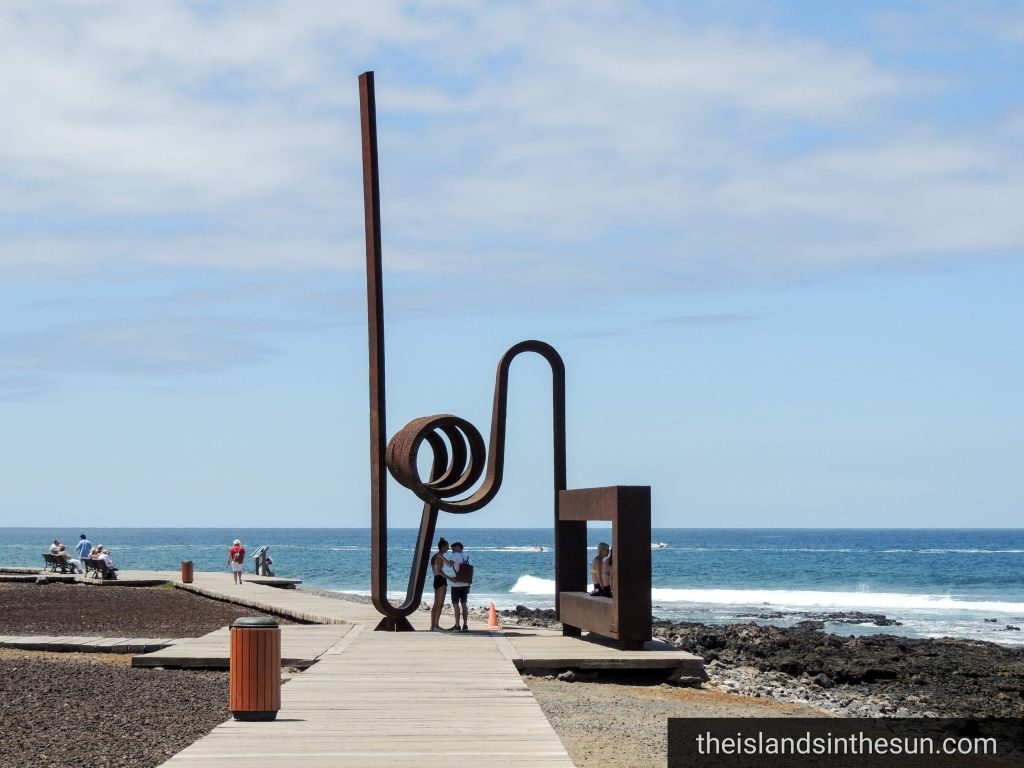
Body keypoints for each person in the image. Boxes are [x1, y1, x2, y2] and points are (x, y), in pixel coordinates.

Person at [447, 541, 472, 632]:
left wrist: (441, 557)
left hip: (456, 583)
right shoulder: (468, 556)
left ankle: (457, 625)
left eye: (453, 548)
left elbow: (449, 565)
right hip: (465, 583)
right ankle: (465, 625)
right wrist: (469, 584)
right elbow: (470, 571)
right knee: (464, 604)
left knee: (456, 604)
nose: (452, 551)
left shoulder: (456, 555)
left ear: (458, 547)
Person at [429, 538, 451, 631]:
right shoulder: (439, 557)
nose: (448, 548)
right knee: (440, 604)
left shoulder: (434, 556)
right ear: (442, 547)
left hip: (436, 580)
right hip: (441, 580)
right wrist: (449, 578)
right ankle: (436, 626)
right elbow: (439, 571)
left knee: (436, 604)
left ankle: (432, 626)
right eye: (447, 547)